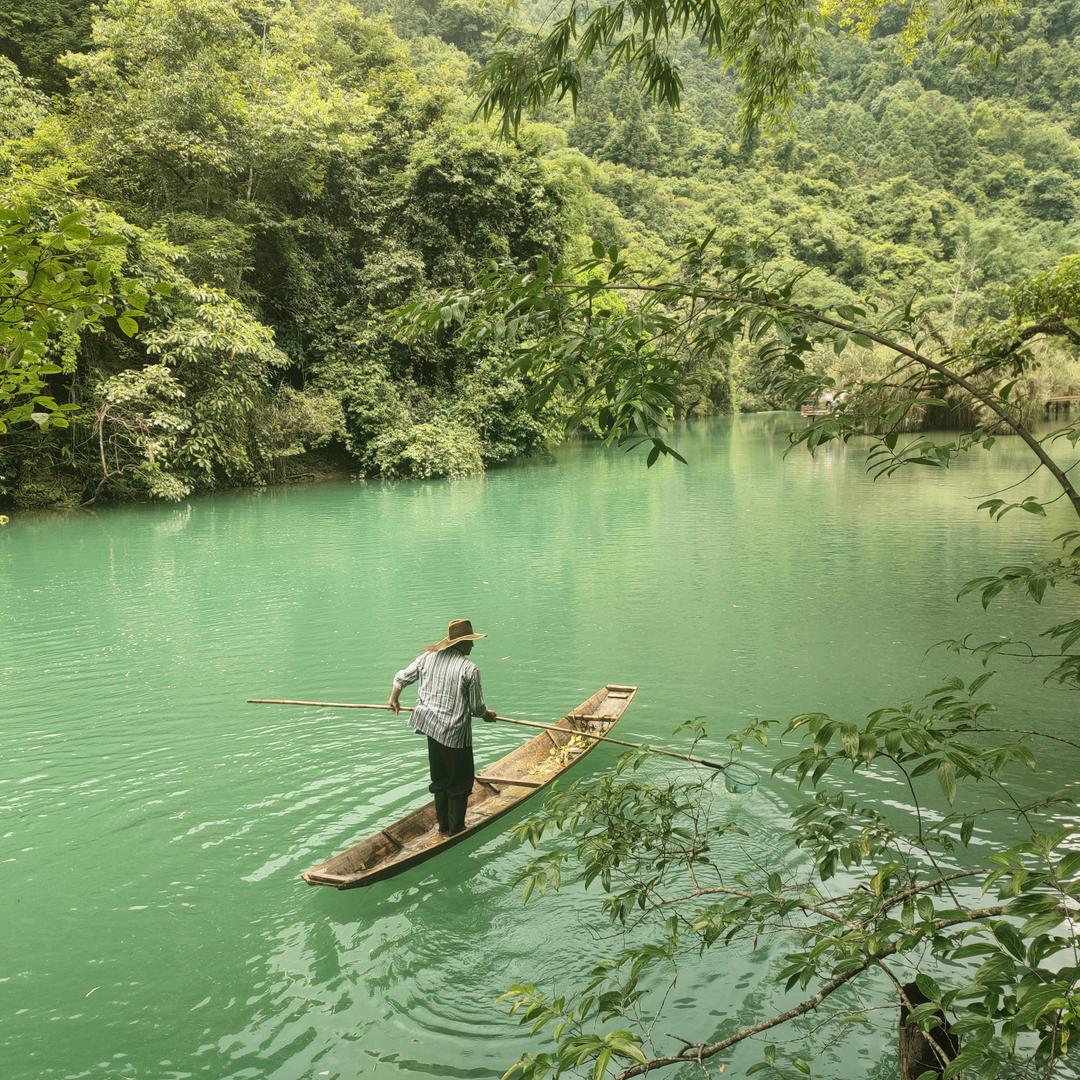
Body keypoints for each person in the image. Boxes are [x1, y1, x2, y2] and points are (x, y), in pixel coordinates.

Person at [388, 619, 497, 836]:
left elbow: (402, 677)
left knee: (440, 779)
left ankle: (443, 827)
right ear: (461, 644)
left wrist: (394, 698)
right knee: (459, 783)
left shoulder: (427, 658)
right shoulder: (469, 669)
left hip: (431, 729)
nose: (473, 646)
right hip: (455, 734)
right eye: (470, 642)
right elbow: (476, 708)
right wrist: (487, 715)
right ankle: (455, 830)